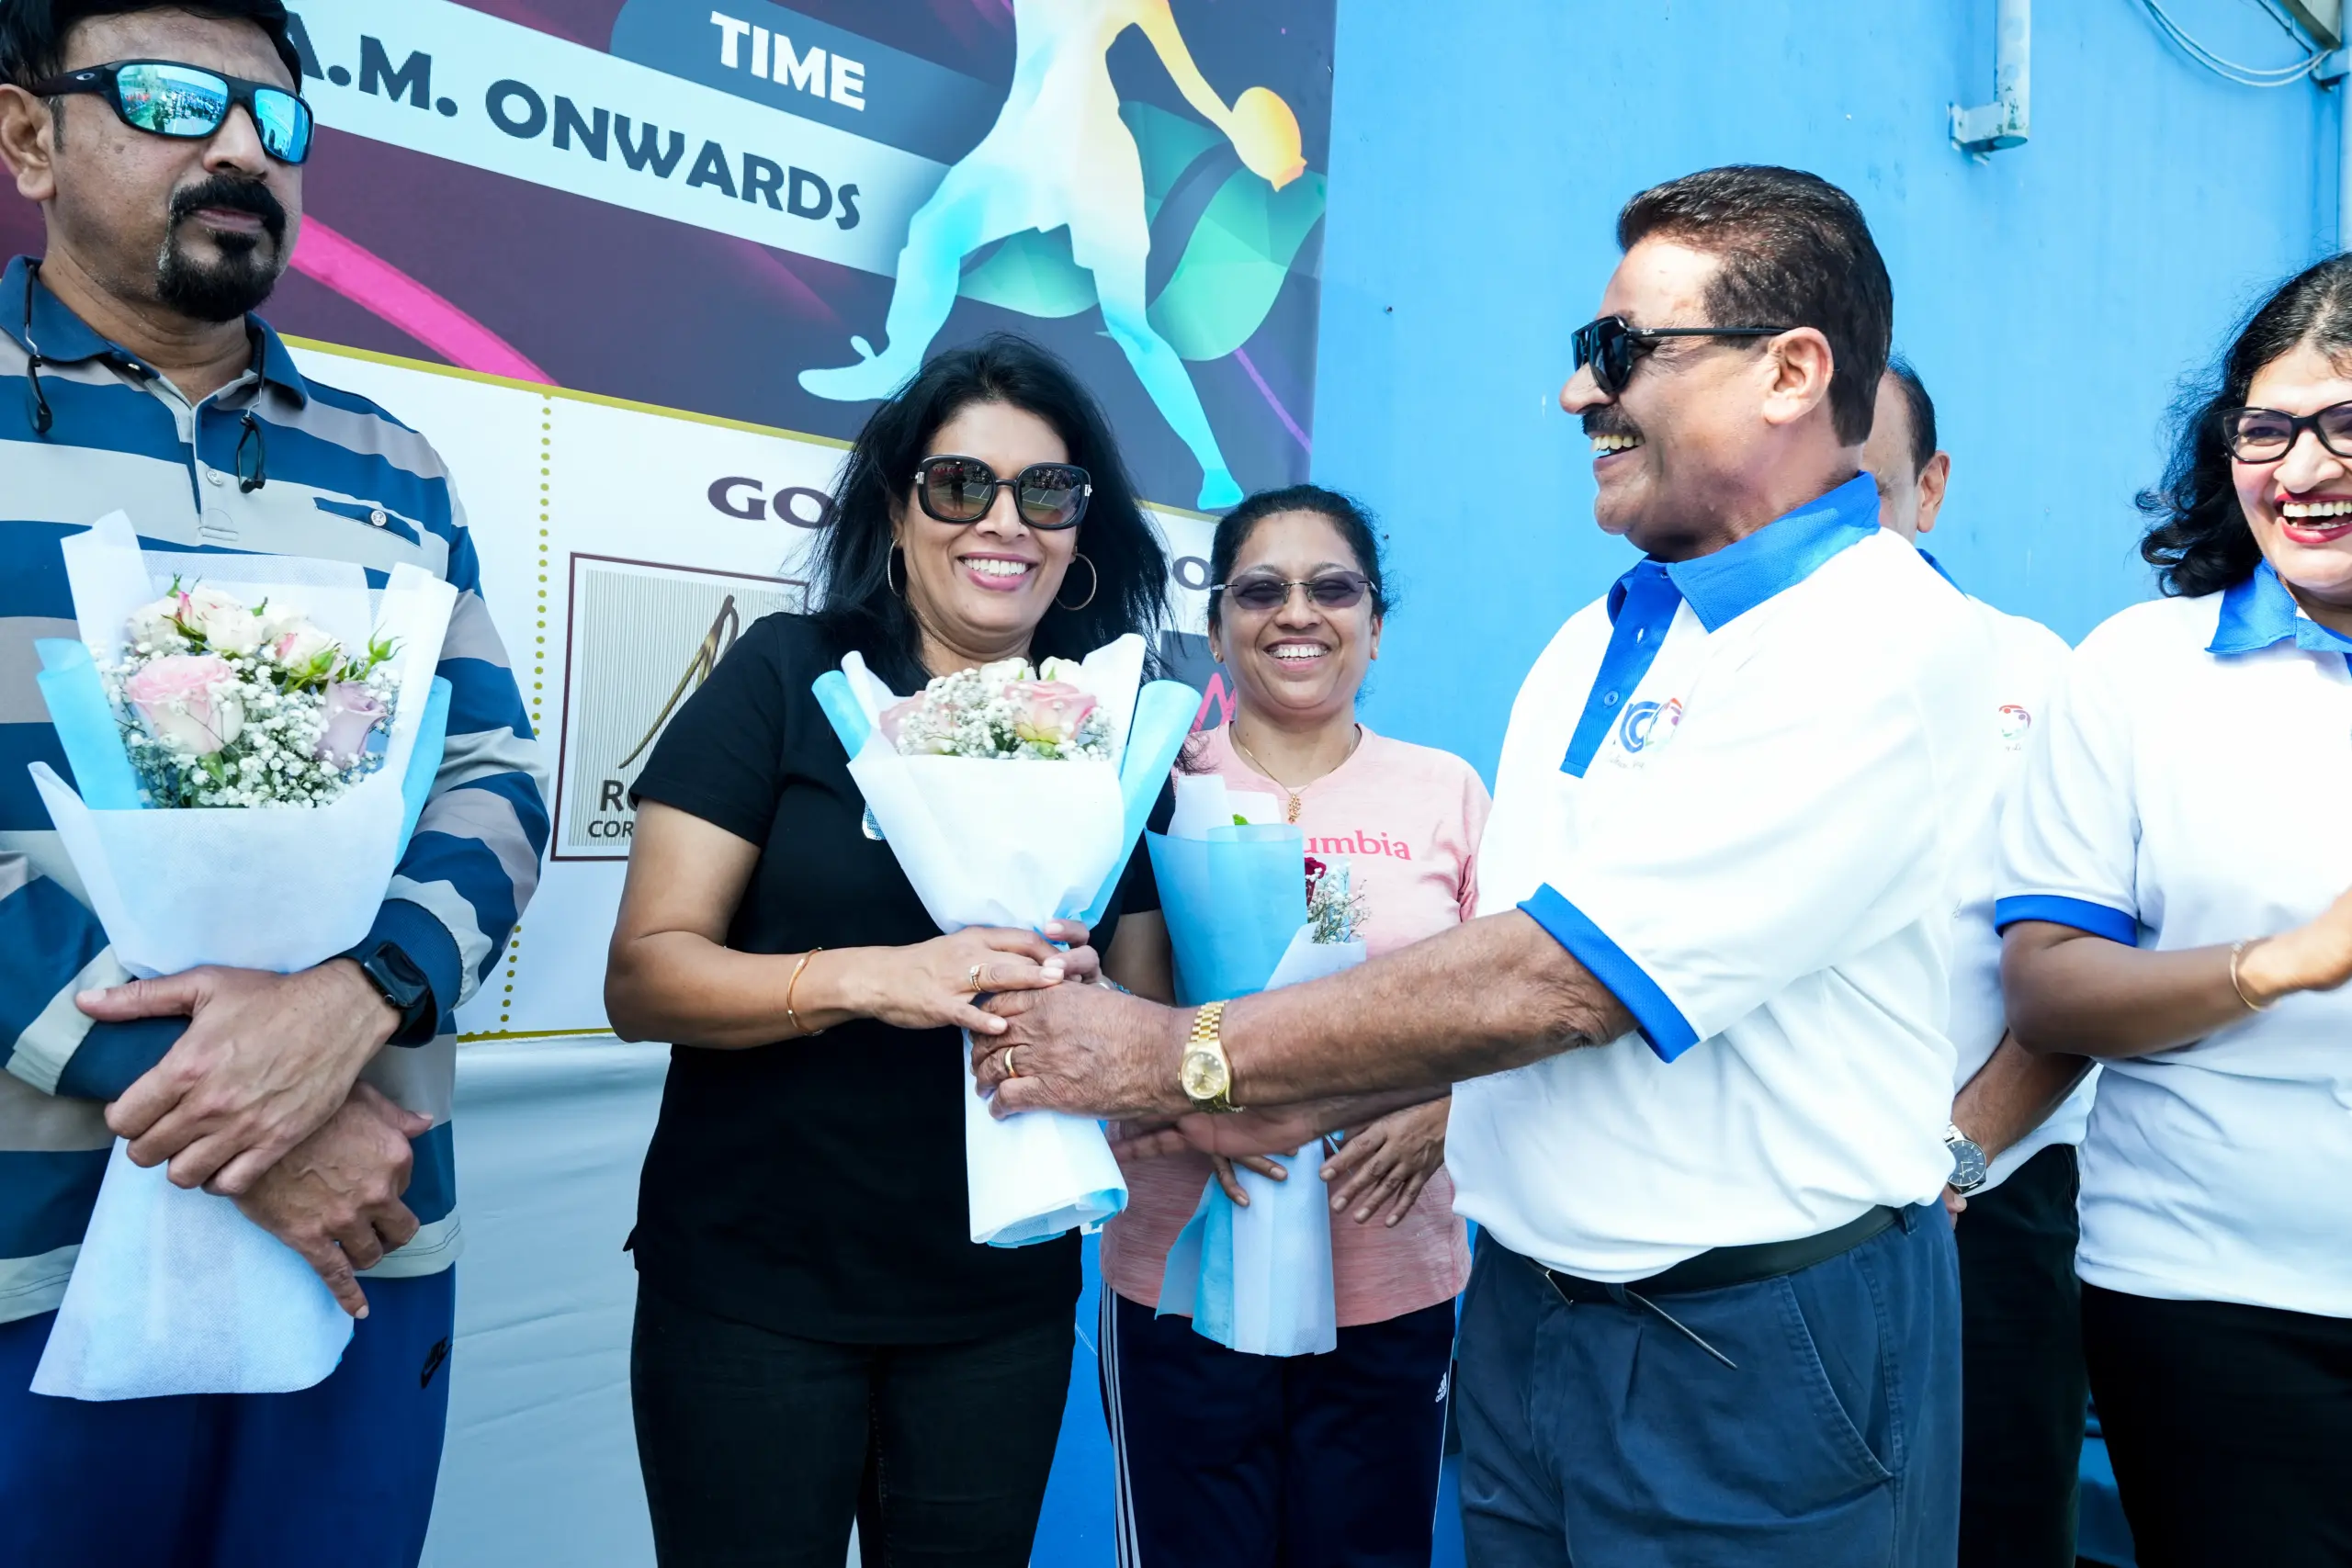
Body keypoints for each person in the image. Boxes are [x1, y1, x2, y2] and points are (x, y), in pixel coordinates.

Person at [974, 164, 1996, 1566]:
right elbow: (1495, 994)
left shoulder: (1874, 638)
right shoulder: (1598, 636)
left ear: (1790, 371)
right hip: (1529, 1321)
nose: (1578, 393)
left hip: (1754, 1345)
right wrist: (1275, 1096)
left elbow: (1559, 980)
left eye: (1622, 349)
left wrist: (1174, 1058)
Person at [0, 3, 548, 1564]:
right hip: (32, 1254)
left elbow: (496, 773)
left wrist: (360, 997)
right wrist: (242, 1105)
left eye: (278, 117)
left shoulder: (395, 461)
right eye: (174, 100)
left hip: (361, 1234)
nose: (243, 147)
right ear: (30, 137)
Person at [606, 333, 1177, 1567]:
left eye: (1046, 491)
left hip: (998, 1299)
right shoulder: (788, 676)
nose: (1004, 522)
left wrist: (1104, 1015)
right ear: (896, 508)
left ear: (1080, 529)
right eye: (959, 484)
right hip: (754, 1288)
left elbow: (1151, 1018)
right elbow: (645, 975)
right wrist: (880, 976)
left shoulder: (1110, 739)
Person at [1998, 254, 2352, 1567]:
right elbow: (2048, 985)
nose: (2301, 469)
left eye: (2345, 425)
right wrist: (2282, 962)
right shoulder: (2141, 671)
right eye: (2266, 429)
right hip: (2212, 1295)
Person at [1099, 484, 1486, 1568]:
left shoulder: (1445, 791)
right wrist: (1194, 1106)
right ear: (1217, 624)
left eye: (1333, 588)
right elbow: (1113, 1012)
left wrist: (1446, 1112)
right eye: (1261, 590)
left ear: (1376, 623)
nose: (1297, 613)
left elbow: (1516, 1013)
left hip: (1390, 1279)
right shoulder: (1154, 786)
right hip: (1182, 1276)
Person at [1863, 358, 2094, 1568]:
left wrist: (1953, 1158)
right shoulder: (1705, 677)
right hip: (1777, 1218)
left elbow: (2087, 955)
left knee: (1997, 1522)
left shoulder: (2035, 672)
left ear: (1930, 488)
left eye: (1863, 492)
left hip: (1991, 1203)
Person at [799, 0, 1305, 510]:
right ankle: (895, 363)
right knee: (932, 232)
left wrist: (1247, 137)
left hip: (1097, 159)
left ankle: (1216, 471)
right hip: (1023, 142)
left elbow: (1189, 81)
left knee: (1131, 325)